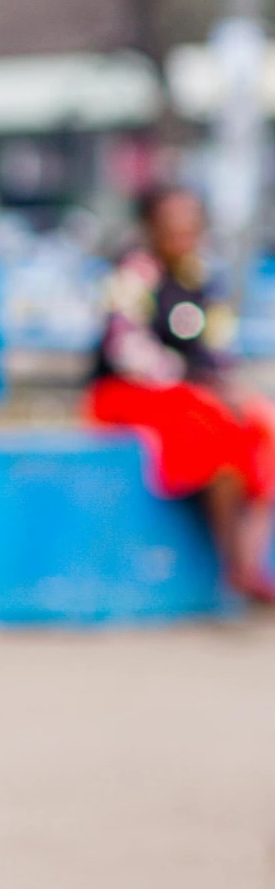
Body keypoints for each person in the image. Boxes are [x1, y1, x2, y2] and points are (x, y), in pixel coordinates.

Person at [85, 185, 275, 603]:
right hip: (133, 394)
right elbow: (125, 349)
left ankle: (251, 563)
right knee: (215, 427)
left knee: (263, 425)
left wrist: (224, 385)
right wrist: (195, 380)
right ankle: (236, 565)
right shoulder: (134, 275)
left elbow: (218, 349)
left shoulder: (203, 278)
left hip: (193, 394)